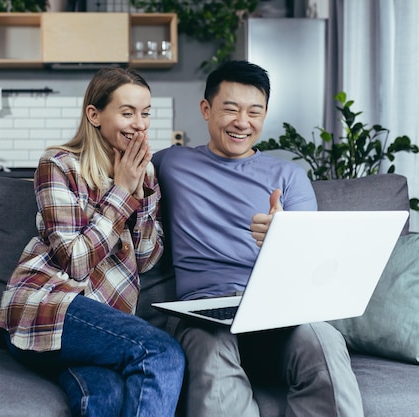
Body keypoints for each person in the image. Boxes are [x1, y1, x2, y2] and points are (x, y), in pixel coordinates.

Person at [152, 60, 364, 417]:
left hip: (277, 313)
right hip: (204, 310)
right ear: (206, 109)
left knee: (325, 341)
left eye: (255, 112)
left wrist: (284, 243)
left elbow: (311, 268)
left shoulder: (290, 176)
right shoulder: (171, 164)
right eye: (230, 109)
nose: (242, 122)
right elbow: (108, 168)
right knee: (211, 349)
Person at [0, 66, 185, 417]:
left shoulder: (145, 172)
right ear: (94, 114)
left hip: (100, 320)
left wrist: (143, 196)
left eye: (146, 113)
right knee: (161, 353)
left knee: (105, 396)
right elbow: (75, 262)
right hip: (47, 306)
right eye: (127, 113)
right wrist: (121, 192)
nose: (140, 124)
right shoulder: (58, 164)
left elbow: (146, 258)